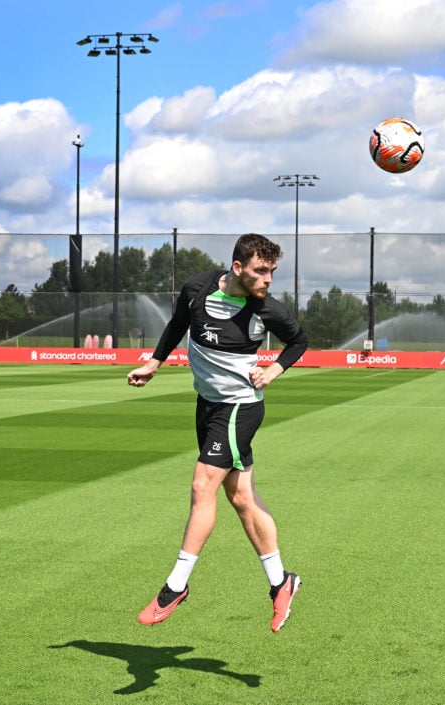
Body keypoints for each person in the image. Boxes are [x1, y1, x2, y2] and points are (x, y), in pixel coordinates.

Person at [127, 233, 309, 633]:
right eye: (261, 271)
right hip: (207, 404)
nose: (268, 280)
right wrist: (154, 363)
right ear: (238, 267)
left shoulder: (267, 308)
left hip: (238, 407)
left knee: (201, 486)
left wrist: (274, 370)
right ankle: (282, 583)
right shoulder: (197, 287)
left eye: (273, 272)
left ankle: (175, 586)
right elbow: (178, 324)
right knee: (242, 497)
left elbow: (299, 340)